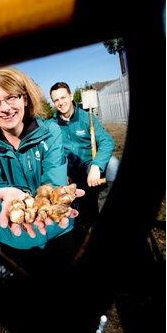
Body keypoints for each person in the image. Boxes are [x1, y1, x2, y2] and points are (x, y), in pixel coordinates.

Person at [0, 67, 85, 277]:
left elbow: (54, 180)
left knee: (70, 293)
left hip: (57, 228)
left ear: (25, 98)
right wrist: (8, 202)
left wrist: (46, 204)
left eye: (11, 97)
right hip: (15, 237)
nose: (4, 108)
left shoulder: (51, 132)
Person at [49, 82, 120, 227]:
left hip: (89, 167)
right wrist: (61, 172)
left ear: (70, 96)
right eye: (56, 100)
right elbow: (50, 153)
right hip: (67, 171)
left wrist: (96, 165)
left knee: (113, 165)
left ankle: (105, 205)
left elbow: (107, 142)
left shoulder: (87, 118)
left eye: (63, 97)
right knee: (77, 218)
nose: (61, 103)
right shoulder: (51, 125)